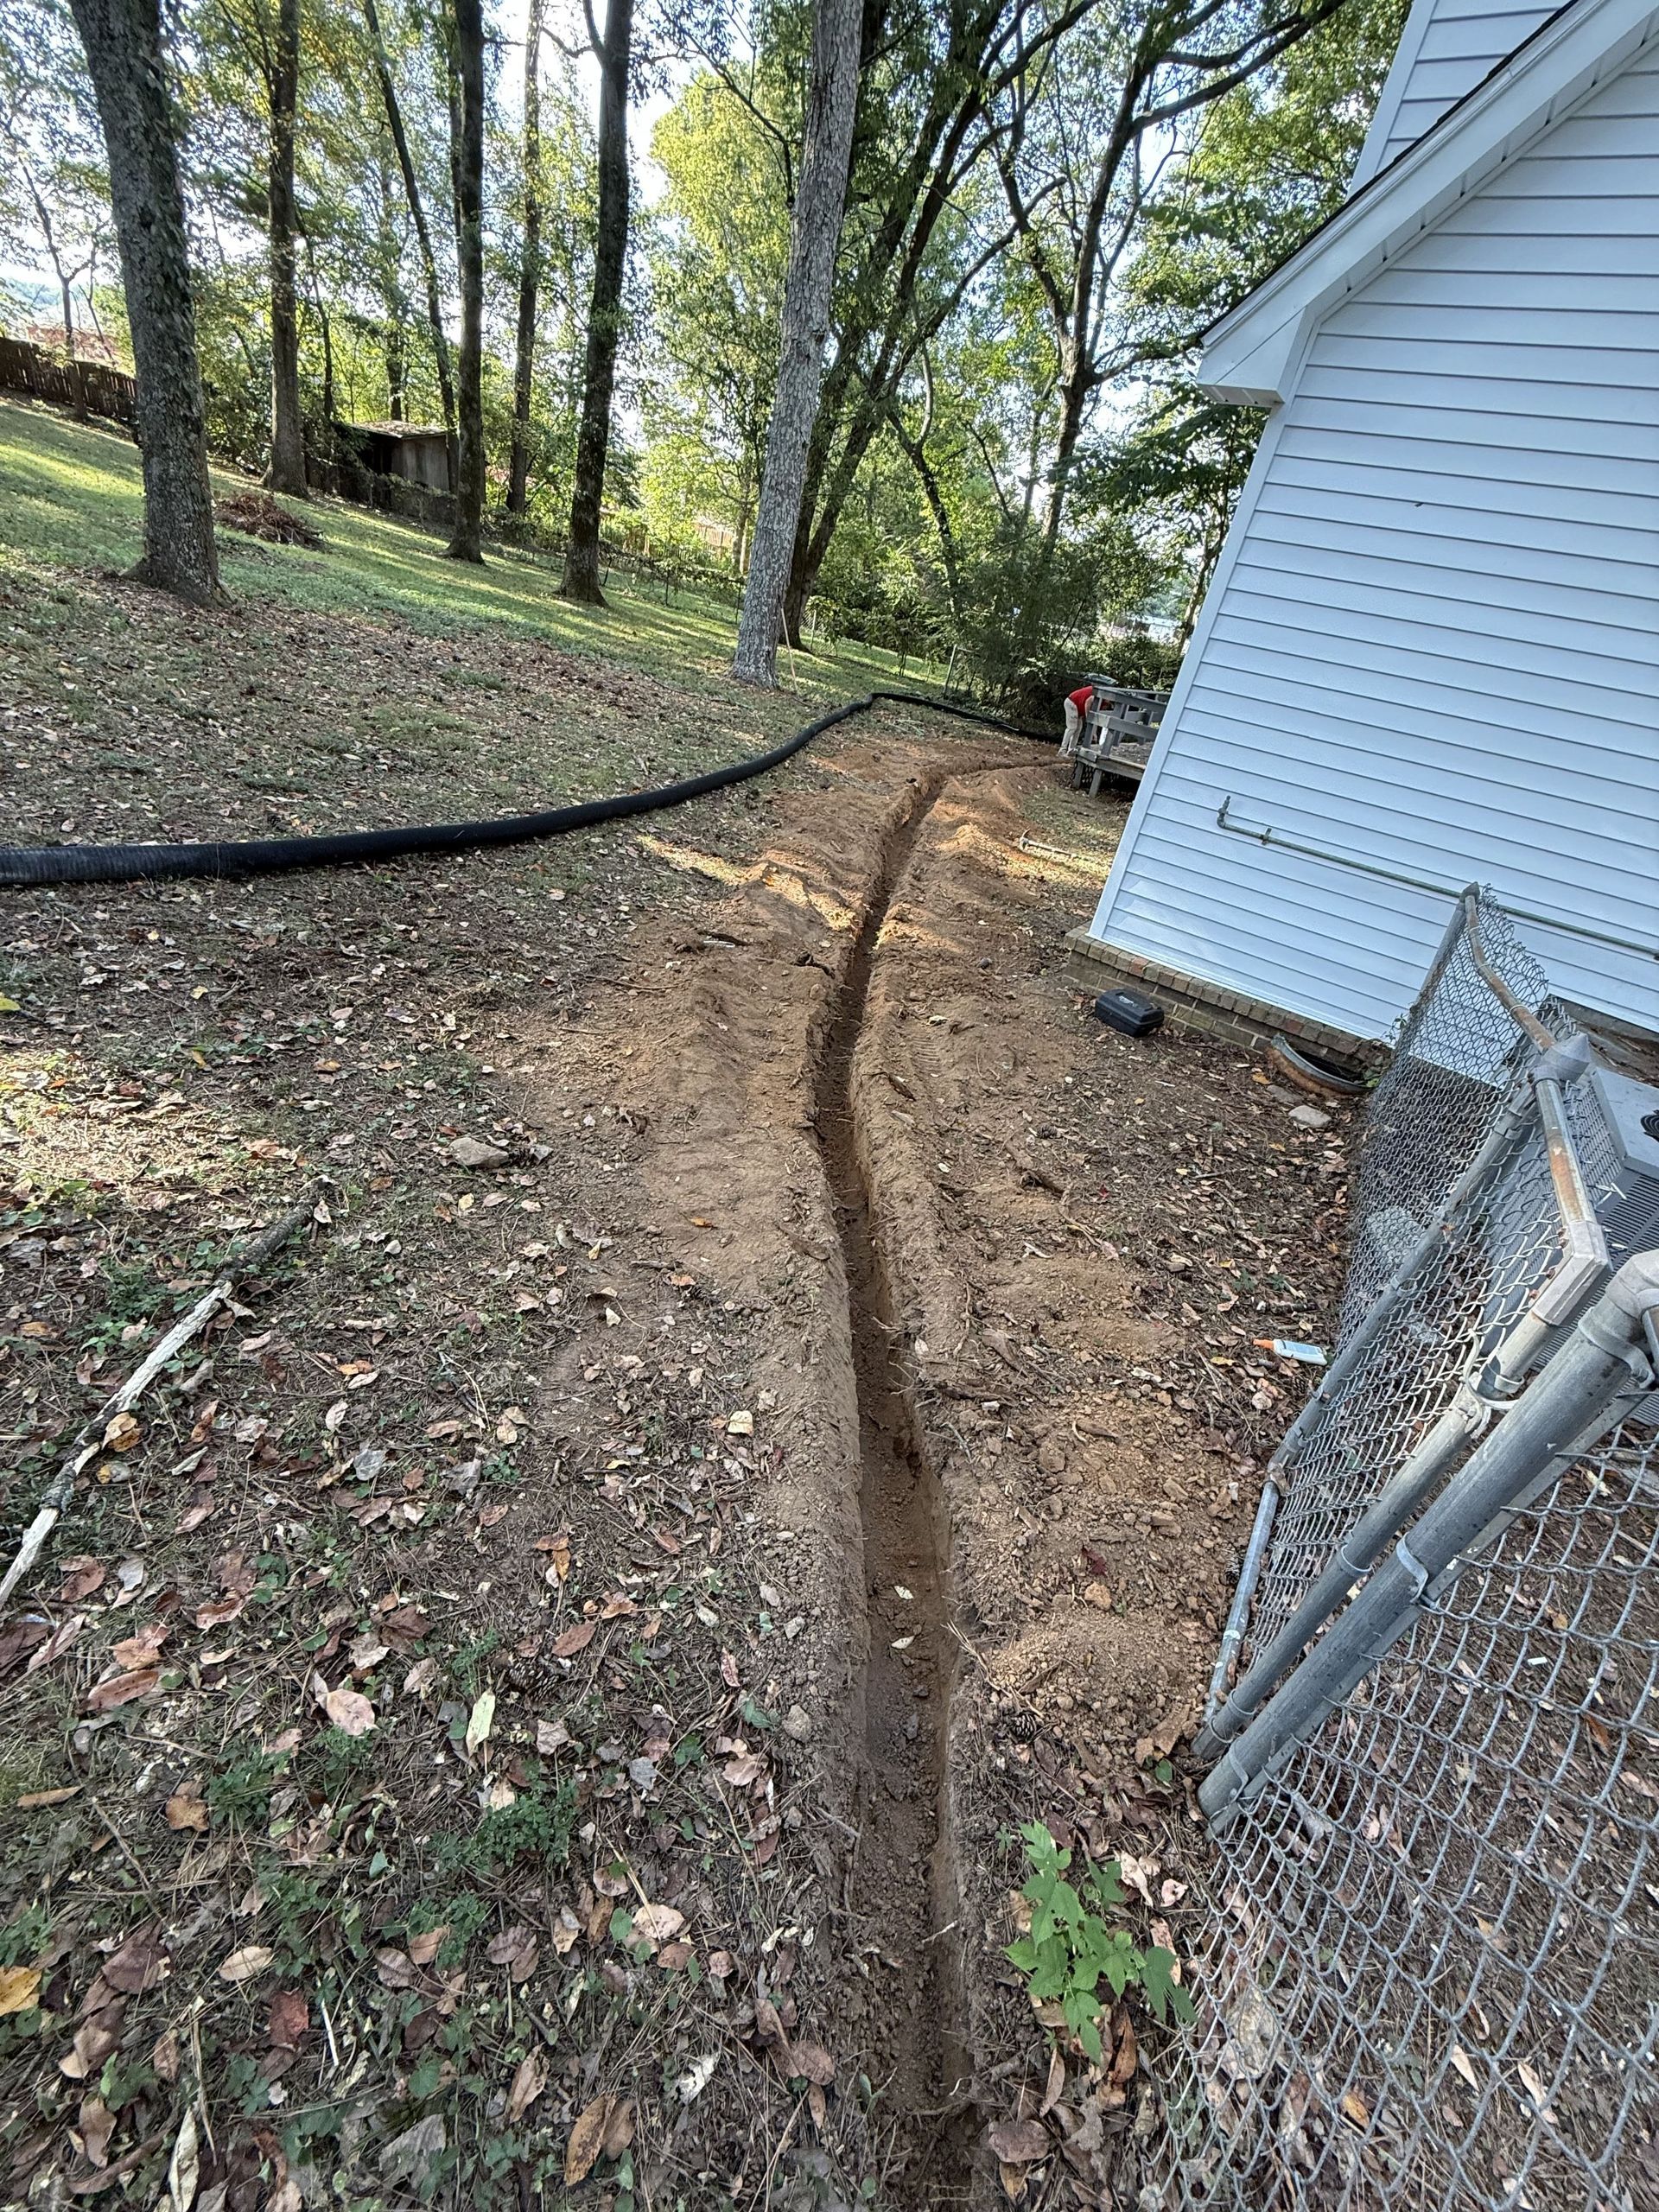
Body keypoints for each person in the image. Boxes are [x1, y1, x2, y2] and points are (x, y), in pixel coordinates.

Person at [1061, 681, 1096, 758]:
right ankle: (1062, 750)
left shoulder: (1102, 697)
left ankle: (1071, 750)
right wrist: (1088, 718)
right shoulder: (1098, 694)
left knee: (1078, 729)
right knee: (1072, 728)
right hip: (1072, 703)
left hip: (1078, 708)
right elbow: (1088, 703)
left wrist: (1094, 733)